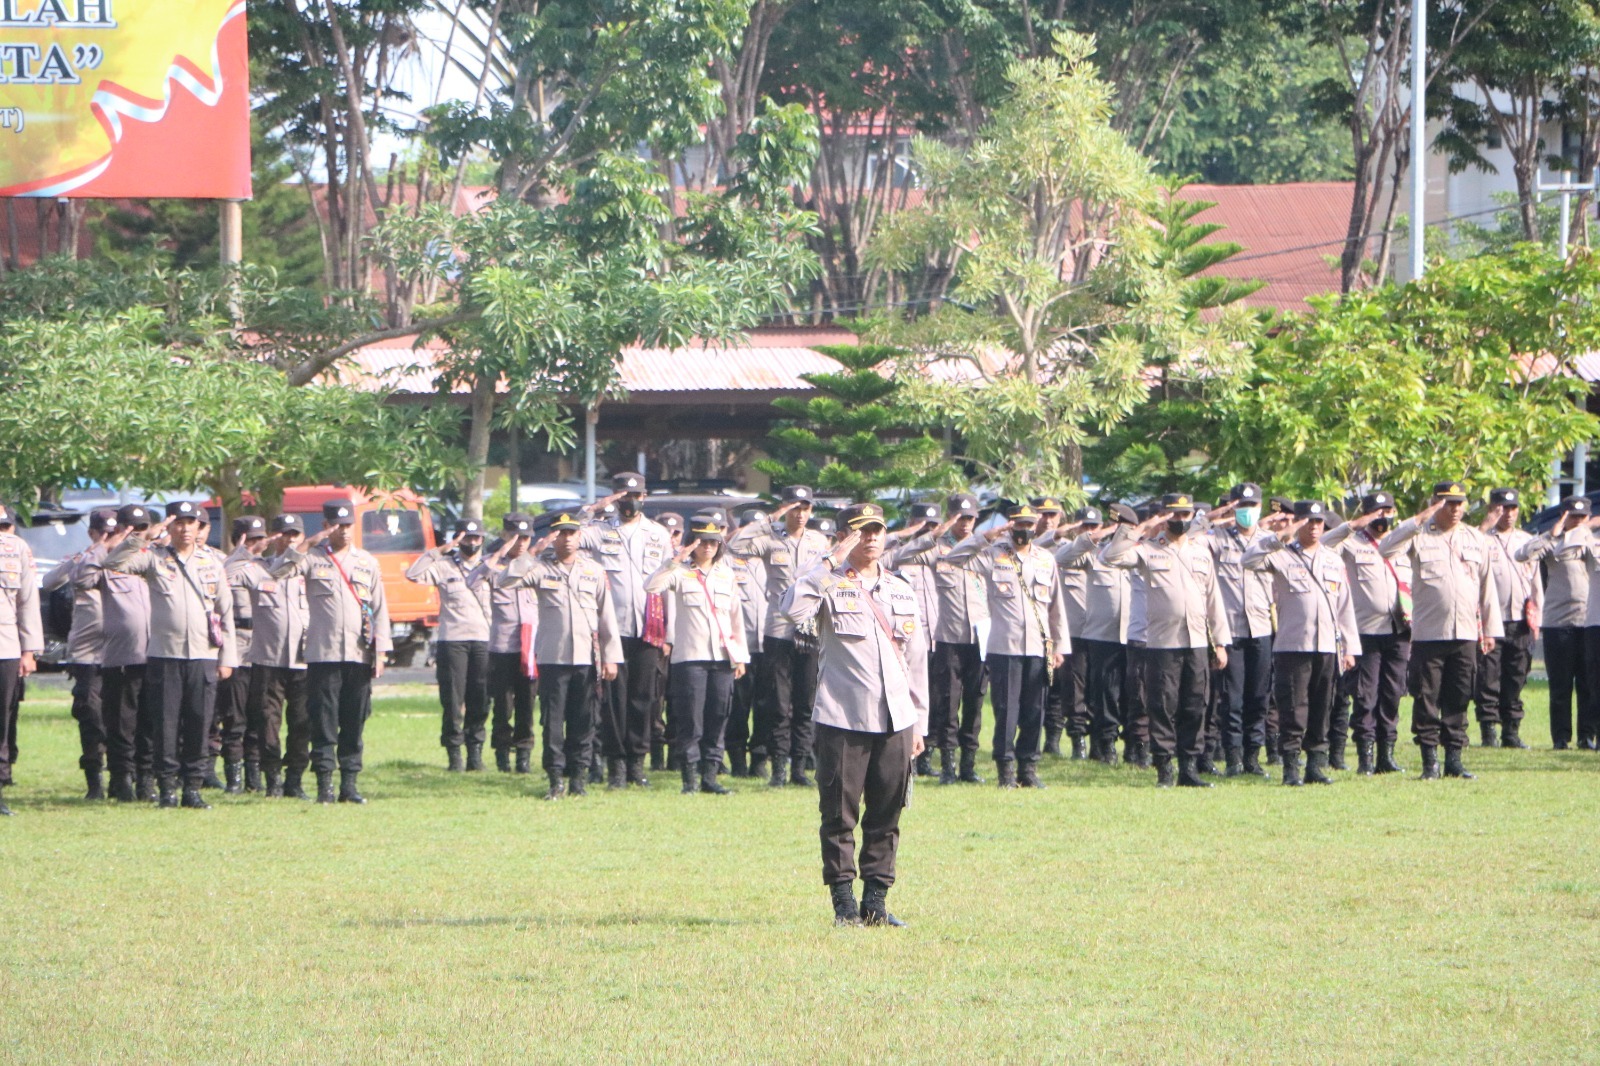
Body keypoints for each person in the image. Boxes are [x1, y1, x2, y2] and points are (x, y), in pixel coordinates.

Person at [784, 502, 928, 927]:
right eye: (861, 531)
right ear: (847, 535)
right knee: (839, 813)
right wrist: (830, 560)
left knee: (888, 812)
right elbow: (791, 609)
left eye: (877, 530)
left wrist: (918, 720)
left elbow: (916, 660)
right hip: (843, 717)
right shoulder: (828, 583)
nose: (870, 538)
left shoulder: (900, 589)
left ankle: (876, 904)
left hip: (896, 719)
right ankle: (844, 905)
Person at [102, 500, 238, 810]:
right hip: (165, 654)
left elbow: (225, 613)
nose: (185, 528)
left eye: (192, 522)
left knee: (199, 721)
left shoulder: (212, 563)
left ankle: (192, 787)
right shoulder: (154, 559)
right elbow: (114, 563)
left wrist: (228, 657)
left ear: (199, 527)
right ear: (170, 525)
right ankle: (167, 789)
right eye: (179, 522)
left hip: (203, 654)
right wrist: (145, 536)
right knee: (165, 724)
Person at [1100, 493, 1231, 788]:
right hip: (1162, 643)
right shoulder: (1148, 550)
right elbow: (1111, 556)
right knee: (1162, 704)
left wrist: (1220, 642)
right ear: (1164, 517)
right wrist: (1142, 526)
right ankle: (1164, 768)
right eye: (1174, 515)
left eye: (1185, 515)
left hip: (1196, 640)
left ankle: (1189, 767)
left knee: (1195, 704)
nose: (1180, 520)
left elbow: (1214, 599)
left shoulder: (1200, 552)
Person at [268, 500, 391, 803]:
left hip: (359, 654)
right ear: (326, 526)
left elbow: (380, 608)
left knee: (354, 720)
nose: (344, 531)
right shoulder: (312, 558)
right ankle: (325, 784)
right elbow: (277, 572)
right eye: (337, 525)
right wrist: (306, 544)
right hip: (324, 654)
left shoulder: (366, 562)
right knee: (323, 721)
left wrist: (381, 651)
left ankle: (349, 784)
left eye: (349, 525)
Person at [494, 511, 623, 799]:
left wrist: (611, 656)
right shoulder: (540, 568)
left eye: (571, 533)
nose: (566, 539)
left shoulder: (593, 571)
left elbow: (607, 618)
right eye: (560, 533)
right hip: (553, 658)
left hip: (586, 659)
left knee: (583, 720)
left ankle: (579, 778)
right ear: (552, 537)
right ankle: (556, 779)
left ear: (579, 536)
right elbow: (505, 579)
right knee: (552, 722)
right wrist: (533, 552)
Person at [1379, 481, 1502, 779]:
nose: (1456, 509)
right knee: (1427, 698)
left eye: (1460, 503)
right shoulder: (1419, 535)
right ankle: (1429, 761)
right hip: (1429, 634)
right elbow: (1386, 548)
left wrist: (1489, 630)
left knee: (1459, 696)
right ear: (1436, 503)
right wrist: (1418, 519)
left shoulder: (1475, 539)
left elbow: (1487, 589)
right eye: (1449, 503)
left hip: (1465, 634)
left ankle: (1454, 760)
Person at [941, 502, 1068, 788]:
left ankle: (1029, 768)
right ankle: (1006, 769)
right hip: (1004, 647)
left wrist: (1059, 646)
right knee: (1006, 711)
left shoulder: (1046, 559)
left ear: (1035, 526)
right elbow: (954, 557)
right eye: (1018, 524)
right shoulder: (993, 554)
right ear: (1010, 525)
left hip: (1038, 646)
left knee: (1035, 711)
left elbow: (1056, 607)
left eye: (1028, 524)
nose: (1023, 530)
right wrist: (987, 536)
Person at [1243, 501, 1360, 786]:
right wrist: (1279, 536)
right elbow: (1248, 561)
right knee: (1294, 708)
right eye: (1308, 521)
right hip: (1293, 646)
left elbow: (1344, 606)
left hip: (1327, 647)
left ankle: (1316, 765)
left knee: (1322, 707)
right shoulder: (1282, 555)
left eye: (1319, 522)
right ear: (1299, 523)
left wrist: (1350, 647)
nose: (1314, 527)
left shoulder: (1332, 559)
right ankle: (1291, 767)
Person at [728, 485, 832, 787]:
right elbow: (735, 546)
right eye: (794, 508)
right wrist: (770, 518)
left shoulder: (818, 541)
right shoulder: (770, 539)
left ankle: (799, 767)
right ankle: (778, 769)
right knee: (777, 702)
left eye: (805, 508)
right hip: (779, 629)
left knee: (805, 701)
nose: (800, 514)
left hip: (811, 628)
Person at [577, 473, 672, 789]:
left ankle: (637, 764)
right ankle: (616, 766)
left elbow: (668, 584)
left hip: (648, 630)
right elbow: (568, 535)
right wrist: (592, 509)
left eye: (634, 496)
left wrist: (668, 635)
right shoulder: (600, 531)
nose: (629, 502)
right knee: (614, 701)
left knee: (644, 698)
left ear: (644, 497)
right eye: (622, 496)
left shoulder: (658, 535)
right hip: (612, 631)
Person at [888, 493, 988, 785]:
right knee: (947, 703)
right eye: (959, 518)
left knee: (976, 702)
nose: (965, 524)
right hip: (949, 637)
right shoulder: (938, 549)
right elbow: (902, 555)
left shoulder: (984, 549)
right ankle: (948, 766)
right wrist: (933, 533)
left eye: (970, 518)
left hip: (980, 637)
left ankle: (969, 765)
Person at [646, 517, 750, 794]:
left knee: (718, 716)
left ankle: (710, 776)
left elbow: (736, 619)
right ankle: (689, 779)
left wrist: (740, 657)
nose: (708, 547)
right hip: (690, 658)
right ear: (694, 543)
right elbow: (651, 586)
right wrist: (675, 560)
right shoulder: (681, 573)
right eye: (703, 542)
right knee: (691, 720)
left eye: (713, 542)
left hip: (722, 657)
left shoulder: (727, 575)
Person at [1323, 491, 1412, 774]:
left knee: (1392, 694)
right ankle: (1365, 757)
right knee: (1365, 696)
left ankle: (1387, 754)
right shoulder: (1351, 543)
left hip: (1399, 629)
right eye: (1377, 512)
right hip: (1365, 632)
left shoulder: (1402, 541)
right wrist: (1354, 525)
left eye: (1388, 511)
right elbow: (1325, 543)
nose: (1383, 517)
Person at [229, 513, 311, 798]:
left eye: (295, 534)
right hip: (268, 658)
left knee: (302, 722)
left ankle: (295, 779)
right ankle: (272, 777)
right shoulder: (256, 568)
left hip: (303, 657)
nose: (290, 540)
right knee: (267, 723)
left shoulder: (307, 567)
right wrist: (242, 551)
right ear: (272, 537)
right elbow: (224, 577)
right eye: (284, 534)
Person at [1051, 504, 1135, 766]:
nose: (1091, 531)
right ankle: (1093, 741)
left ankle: (1133, 746)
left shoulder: (1135, 552)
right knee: (1093, 691)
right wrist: (1090, 539)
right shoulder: (1093, 554)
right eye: (1086, 527)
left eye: (1094, 527)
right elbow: (1060, 559)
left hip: (1129, 633)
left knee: (1129, 692)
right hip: (1093, 633)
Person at [407, 518, 493, 772]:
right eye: (467, 538)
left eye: (477, 538)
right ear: (458, 539)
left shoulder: (489, 566)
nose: (473, 542)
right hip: (452, 640)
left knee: (481, 699)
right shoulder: (444, 566)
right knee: (453, 700)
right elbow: (413, 574)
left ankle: (475, 753)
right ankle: (454, 753)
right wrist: (441, 549)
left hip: (483, 639)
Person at [41, 508, 115, 800]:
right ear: (93, 534)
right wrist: (83, 557)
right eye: (104, 534)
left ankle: (125, 776)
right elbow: (48, 582)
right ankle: (94, 779)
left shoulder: (129, 561)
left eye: (114, 533)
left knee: (123, 717)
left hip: (121, 652)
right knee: (90, 714)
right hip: (87, 655)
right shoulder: (81, 561)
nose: (109, 540)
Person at [85, 503, 156, 802]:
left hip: (156, 654)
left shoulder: (158, 558)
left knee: (151, 723)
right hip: (122, 657)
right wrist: (110, 546)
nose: (138, 534)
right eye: (131, 528)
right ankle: (121, 780)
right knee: (122, 724)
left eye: (142, 528)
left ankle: (146, 780)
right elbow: (82, 579)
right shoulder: (106, 562)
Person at [1206, 483, 1276, 777]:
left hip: (1261, 627)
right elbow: (1193, 534)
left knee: (1259, 697)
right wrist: (1217, 514)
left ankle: (1252, 757)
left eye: (1251, 506)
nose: (1247, 512)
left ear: (1260, 508)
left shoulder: (1269, 540)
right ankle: (1233, 758)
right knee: (1232, 699)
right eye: (1241, 507)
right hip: (1231, 629)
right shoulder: (1218, 538)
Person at [1514, 496, 1591, 750]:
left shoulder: (1592, 541)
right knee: (1560, 684)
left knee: (1588, 684)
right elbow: (1523, 554)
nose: (1577, 522)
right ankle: (1560, 737)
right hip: (1558, 623)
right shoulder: (1551, 543)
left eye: (1582, 517)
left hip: (1588, 622)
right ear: (1564, 517)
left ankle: (1586, 736)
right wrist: (1551, 533)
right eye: (1572, 517)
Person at [470, 514, 539, 774]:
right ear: (504, 536)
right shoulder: (493, 566)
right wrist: (499, 554)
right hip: (502, 647)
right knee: (503, 705)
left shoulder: (536, 565)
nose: (519, 543)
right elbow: (472, 582)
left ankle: (523, 754)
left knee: (526, 704)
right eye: (514, 537)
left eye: (524, 538)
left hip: (530, 646)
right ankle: (502, 754)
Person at [1475, 489, 1540, 749]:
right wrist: (1485, 525)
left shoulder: (1526, 540)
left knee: (1516, 676)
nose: (1509, 514)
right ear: (1493, 508)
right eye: (1503, 508)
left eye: (1513, 508)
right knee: (1488, 676)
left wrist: (1538, 619)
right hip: (1491, 621)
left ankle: (1511, 732)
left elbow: (1535, 583)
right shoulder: (1482, 539)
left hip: (1520, 620)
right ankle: (1488, 730)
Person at [887, 502, 943, 775]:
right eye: (923, 526)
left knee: (937, 699)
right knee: (906, 696)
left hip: (938, 638)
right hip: (906, 641)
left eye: (934, 527)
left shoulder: (944, 555)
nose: (929, 533)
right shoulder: (900, 554)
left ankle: (928, 755)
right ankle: (906, 754)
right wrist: (910, 535)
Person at [215, 515, 267, 793]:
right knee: (234, 717)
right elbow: (225, 573)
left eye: (262, 538)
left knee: (259, 715)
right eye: (254, 538)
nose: (260, 544)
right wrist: (241, 552)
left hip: (261, 646)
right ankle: (234, 778)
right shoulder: (229, 564)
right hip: (236, 644)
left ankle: (254, 777)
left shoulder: (266, 567)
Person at [0, 503, 42, 816]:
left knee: (2, 722)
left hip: (6, 648)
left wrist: (29, 651)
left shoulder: (17, 550)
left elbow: (28, 602)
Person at [723, 508, 768, 776]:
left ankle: (760, 757)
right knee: (738, 707)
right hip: (742, 646)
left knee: (767, 705)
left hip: (770, 645)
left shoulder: (773, 557)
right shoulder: (728, 561)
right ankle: (737, 757)